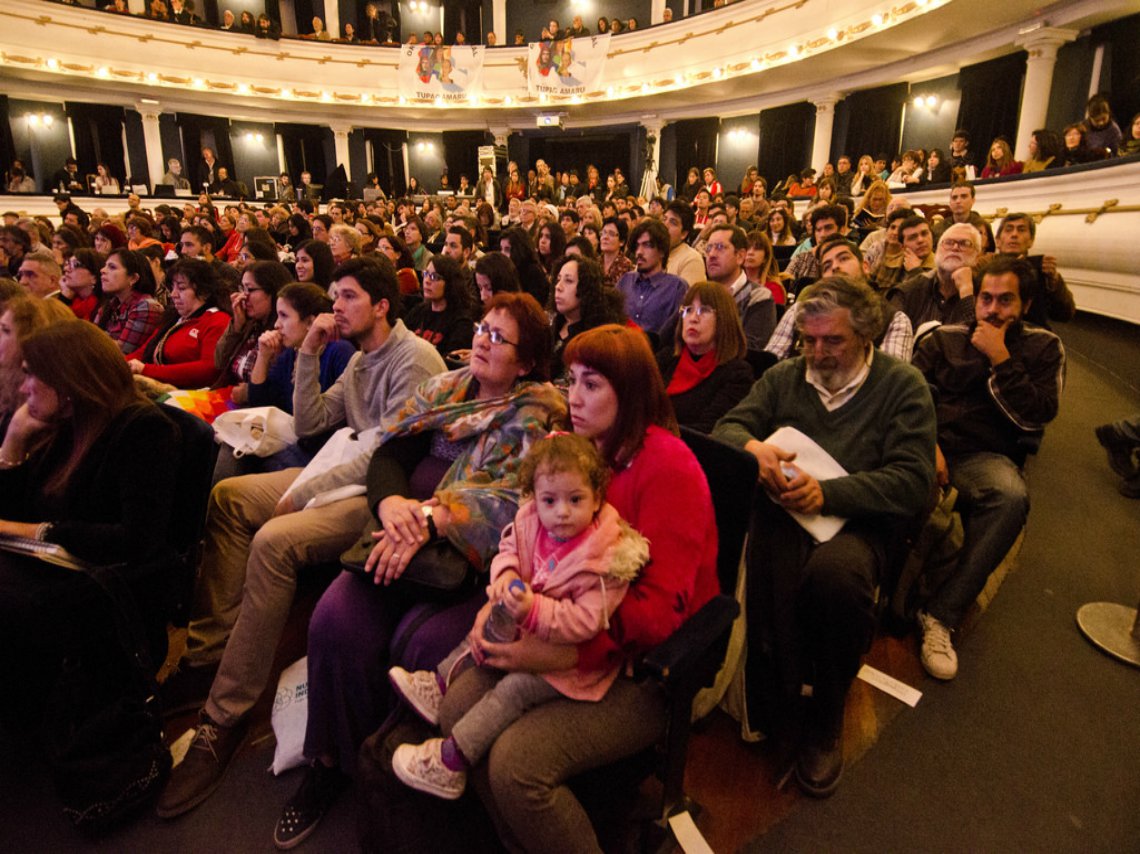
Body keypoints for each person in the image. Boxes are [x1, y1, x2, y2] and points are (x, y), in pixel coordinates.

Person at [156, 257, 447, 819]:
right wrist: (309, 352)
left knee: (274, 541)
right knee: (230, 499)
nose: (334, 307)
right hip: (337, 475)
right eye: (333, 297)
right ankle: (209, 653)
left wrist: (309, 487)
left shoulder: (414, 359)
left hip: (375, 494)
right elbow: (315, 422)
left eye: (346, 297)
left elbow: (384, 454)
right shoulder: (362, 359)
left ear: (381, 304)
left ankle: (225, 714)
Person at [272, 293, 567, 847]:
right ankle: (332, 762)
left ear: (527, 363)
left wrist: (436, 519)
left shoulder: (538, 414)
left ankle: (389, 776)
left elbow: (521, 502)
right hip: (397, 532)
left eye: (499, 338)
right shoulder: (446, 390)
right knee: (334, 620)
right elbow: (390, 456)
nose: (482, 339)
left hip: (472, 564)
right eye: (482, 327)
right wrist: (390, 507)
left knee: (423, 646)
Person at [413, 324, 718, 851]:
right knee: (455, 712)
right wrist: (503, 598)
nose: (573, 398)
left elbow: (659, 615)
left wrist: (560, 655)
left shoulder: (668, 468)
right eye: (571, 380)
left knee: (515, 765)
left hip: (637, 667)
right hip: (557, 625)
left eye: (592, 385)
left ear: (631, 392)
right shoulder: (578, 453)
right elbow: (525, 538)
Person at [714, 277, 936, 797]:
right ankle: (770, 693)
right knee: (766, 557)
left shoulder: (902, 387)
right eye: (808, 340)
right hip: (784, 512)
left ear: (865, 336)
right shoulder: (788, 377)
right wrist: (754, 449)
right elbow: (728, 427)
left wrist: (829, 495)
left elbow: (912, 480)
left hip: (858, 521)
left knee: (836, 578)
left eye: (831, 341)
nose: (817, 352)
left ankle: (826, 714)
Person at [389, 431, 646, 799]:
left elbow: (588, 622)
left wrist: (534, 609)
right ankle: (440, 682)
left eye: (576, 499)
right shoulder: (532, 521)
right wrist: (505, 577)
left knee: (513, 691)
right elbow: (509, 547)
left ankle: (451, 762)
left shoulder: (605, 556)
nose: (562, 512)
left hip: (569, 663)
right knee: (485, 625)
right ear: (536, 498)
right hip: (529, 628)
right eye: (550, 500)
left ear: (597, 499)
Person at [0, 322, 181, 728]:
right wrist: (12, 443)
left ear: (68, 380)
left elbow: (139, 540)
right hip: (56, 567)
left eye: (33, 374)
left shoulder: (143, 430)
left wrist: (40, 532)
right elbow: (20, 508)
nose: (25, 387)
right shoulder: (64, 425)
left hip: (107, 586)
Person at [911, 256, 1064, 679]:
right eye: (986, 299)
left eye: (1005, 300)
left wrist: (1001, 360)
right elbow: (910, 398)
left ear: (1027, 304)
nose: (993, 309)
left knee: (1010, 497)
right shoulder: (943, 338)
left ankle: (941, 615)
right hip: (931, 445)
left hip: (984, 456)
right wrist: (929, 444)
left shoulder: (1043, 348)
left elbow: (1036, 416)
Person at [657, 281, 753, 433]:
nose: (693, 318)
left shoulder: (737, 375)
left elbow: (708, 431)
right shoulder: (667, 358)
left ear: (723, 319)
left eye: (704, 310)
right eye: (688, 310)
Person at [246, 282, 356, 416]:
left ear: (310, 322)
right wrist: (263, 357)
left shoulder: (339, 351)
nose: (276, 325)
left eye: (284, 316)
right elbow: (259, 404)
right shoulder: (291, 354)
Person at [126, 258, 230, 388]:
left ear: (204, 292)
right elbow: (143, 352)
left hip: (191, 396)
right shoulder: (175, 318)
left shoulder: (218, 320)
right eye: (172, 288)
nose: (173, 294)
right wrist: (120, 365)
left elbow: (208, 370)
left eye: (181, 288)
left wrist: (146, 370)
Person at [0, 293, 73, 440]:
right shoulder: (7, 378)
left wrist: (13, 441)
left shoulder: (44, 403)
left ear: (32, 339)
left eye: (6, 330)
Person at [889, 222, 981, 329]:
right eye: (948, 242)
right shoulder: (909, 291)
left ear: (977, 257)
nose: (955, 247)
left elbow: (979, 339)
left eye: (965, 243)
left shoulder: (985, 294)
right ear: (936, 251)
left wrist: (966, 293)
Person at [992, 213, 1076, 327]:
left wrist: (1053, 281)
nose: (1014, 234)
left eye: (1021, 230)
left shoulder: (1042, 270)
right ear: (998, 241)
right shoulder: (985, 268)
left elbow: (1064, 315)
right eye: (1009, 230)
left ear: (1031, 241)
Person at [616, 219, 688, 342]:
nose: (639, 252)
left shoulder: (676, 287)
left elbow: (673, 335)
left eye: (647, 245)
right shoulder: (625, 281)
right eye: (637, 246)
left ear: (662, 251)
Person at [549, 255, 625, 373]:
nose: (558, 287)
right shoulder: (553, 322)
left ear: (586, 289)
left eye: (568, 281)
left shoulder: (596, 339)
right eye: (558, 279)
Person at [93, 248, 164, 355]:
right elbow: (91, 337)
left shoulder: (146, 306)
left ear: (133, 278)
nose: (102, 270)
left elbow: (121, 352)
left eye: (112, 267)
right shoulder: (111, 304)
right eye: (105, 265)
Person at [404, 254, 476, 359]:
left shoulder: (462, 322)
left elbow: (451, 361)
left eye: (434, 277)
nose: (427, 281)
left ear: (450, 283)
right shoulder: (419, 311)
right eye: (426, 274)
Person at [663, 201, 706, 285]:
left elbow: (686, 297)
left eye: (673, 222)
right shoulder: (652, 252)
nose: (665, 225)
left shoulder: (691, 259)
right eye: (664, 219)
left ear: (684, 234)